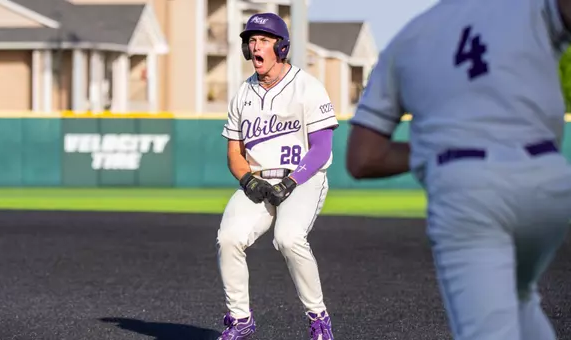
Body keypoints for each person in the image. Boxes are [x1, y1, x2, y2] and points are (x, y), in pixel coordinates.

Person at [345, 0, 571, 339]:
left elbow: (363, 158)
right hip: (547, 179)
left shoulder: (406, 39)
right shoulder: (528, 7)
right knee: (520, 295)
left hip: (468, 189)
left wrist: (437, 147)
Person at [215, 12, 338, 340]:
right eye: (251, 40)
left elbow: (322, 148)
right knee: (229, 238)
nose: (255, 46)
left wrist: (292, 180)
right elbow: (234, 154)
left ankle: (318, 317)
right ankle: (240, 319)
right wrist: (247, 180)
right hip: (259, 179)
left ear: (281, 47)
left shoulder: (307, 86)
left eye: (263, 40)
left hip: (304, 178)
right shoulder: (243, 94)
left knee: (288, 237)